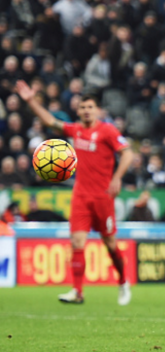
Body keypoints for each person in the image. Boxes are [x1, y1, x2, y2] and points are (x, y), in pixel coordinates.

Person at [16, 80, 134, 305]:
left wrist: (117, 179)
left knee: (110, 244)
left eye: (90, 107)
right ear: (78, 110)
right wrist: (30, 100)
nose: (86, 111)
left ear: (97, 110)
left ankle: (122, 282)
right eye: (82, 107)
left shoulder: (107, 131)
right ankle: (78, 292)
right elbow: (50, 121)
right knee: (77, 242)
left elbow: (127, 153)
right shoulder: (76, 130)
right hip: (81, 195)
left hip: (103, 197)